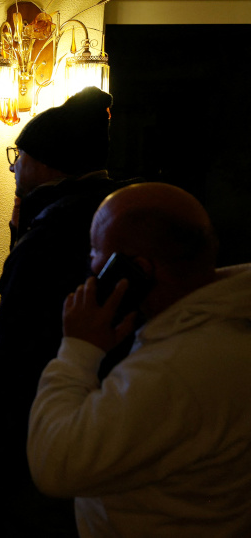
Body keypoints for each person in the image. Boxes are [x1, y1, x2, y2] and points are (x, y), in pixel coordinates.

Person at [28, 183, 251, 536]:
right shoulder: (221, 326)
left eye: (95, 252)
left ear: (138, 269)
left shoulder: (175, 368)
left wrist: (79, 350)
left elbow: (55, 462)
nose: (90, 265)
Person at [0, 87, 129, 538]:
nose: (14, 166)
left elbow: (22, 345)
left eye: (18, 155)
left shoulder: (54, 233)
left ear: (44, 162)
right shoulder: (101, 218)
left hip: (33, 452)